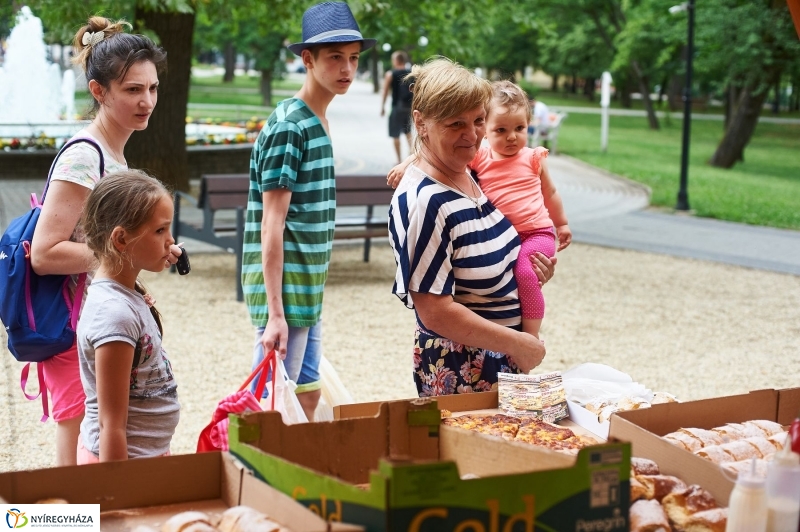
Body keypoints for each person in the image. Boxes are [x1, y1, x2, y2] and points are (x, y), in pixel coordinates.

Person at [29, 16, 168, 466]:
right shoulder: (85, 157)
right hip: (76, 328)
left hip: (98, 320)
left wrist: (148, 245)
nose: (146, 100)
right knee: (77, 464)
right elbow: (46, 253)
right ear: (98, 91)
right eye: (132, 90)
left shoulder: (114, 153)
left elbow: (116, 241)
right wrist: (123, 253)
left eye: (151, 88)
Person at [387, 58, 555, 397]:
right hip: (462, 371)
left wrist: (527, 269)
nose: (473, 134)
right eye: (456, 124)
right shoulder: (426, 201)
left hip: (494, 362)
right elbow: (435, 311)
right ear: (421, 122)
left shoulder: (464, 171)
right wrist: (519, 343)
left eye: (479, 120)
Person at [241, 1, 375, 421]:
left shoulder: (317, 119)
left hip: (308, 285)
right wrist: (275, 314)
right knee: (271, 406)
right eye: (335, 57)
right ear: (308, 59)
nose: (346, 69)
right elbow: (271, 224)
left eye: (353, 58)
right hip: (287, 287)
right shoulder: (289, 127)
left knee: (308, 395)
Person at [76, 170, 181, 463]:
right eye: (160, 231)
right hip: (123, 463)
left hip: (144, 455)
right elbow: (111, 425)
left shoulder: (124, 293)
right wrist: (119, 494)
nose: (171, 241)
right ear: (121, 238)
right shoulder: (115, 315)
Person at [471, 80, 570, 338]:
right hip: (502, 237)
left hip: (537, 234)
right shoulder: (481, 157)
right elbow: (439, 155)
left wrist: (561, 224)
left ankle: (530, 336)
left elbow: (551, 192)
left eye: (519, 128)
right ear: (485, 130)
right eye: (501, 130)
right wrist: (409, 164)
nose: (512, 136)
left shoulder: (532, 157)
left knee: (526, 273)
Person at [381, 50, 413, 164]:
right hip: (409, 107)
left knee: (395, 134)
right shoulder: (411, 73)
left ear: (396, 60)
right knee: (408, 131)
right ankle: (412, 157)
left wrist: (382, 107)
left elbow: (385, 91)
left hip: (397, 107)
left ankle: (399, 160)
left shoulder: (391, 74)